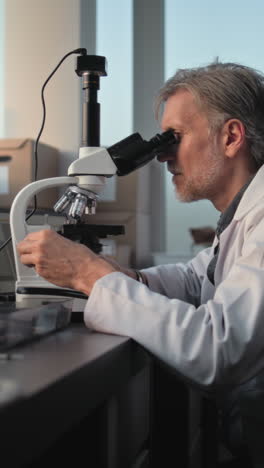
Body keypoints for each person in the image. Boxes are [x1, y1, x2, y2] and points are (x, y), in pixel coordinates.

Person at [17, 61, 264, 466]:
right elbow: (194, 278)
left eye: (175, 137)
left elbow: (218, 350)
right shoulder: (240, 218)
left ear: (231, 136)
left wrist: (87, 273)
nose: (163, 154)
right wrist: (120, 276)